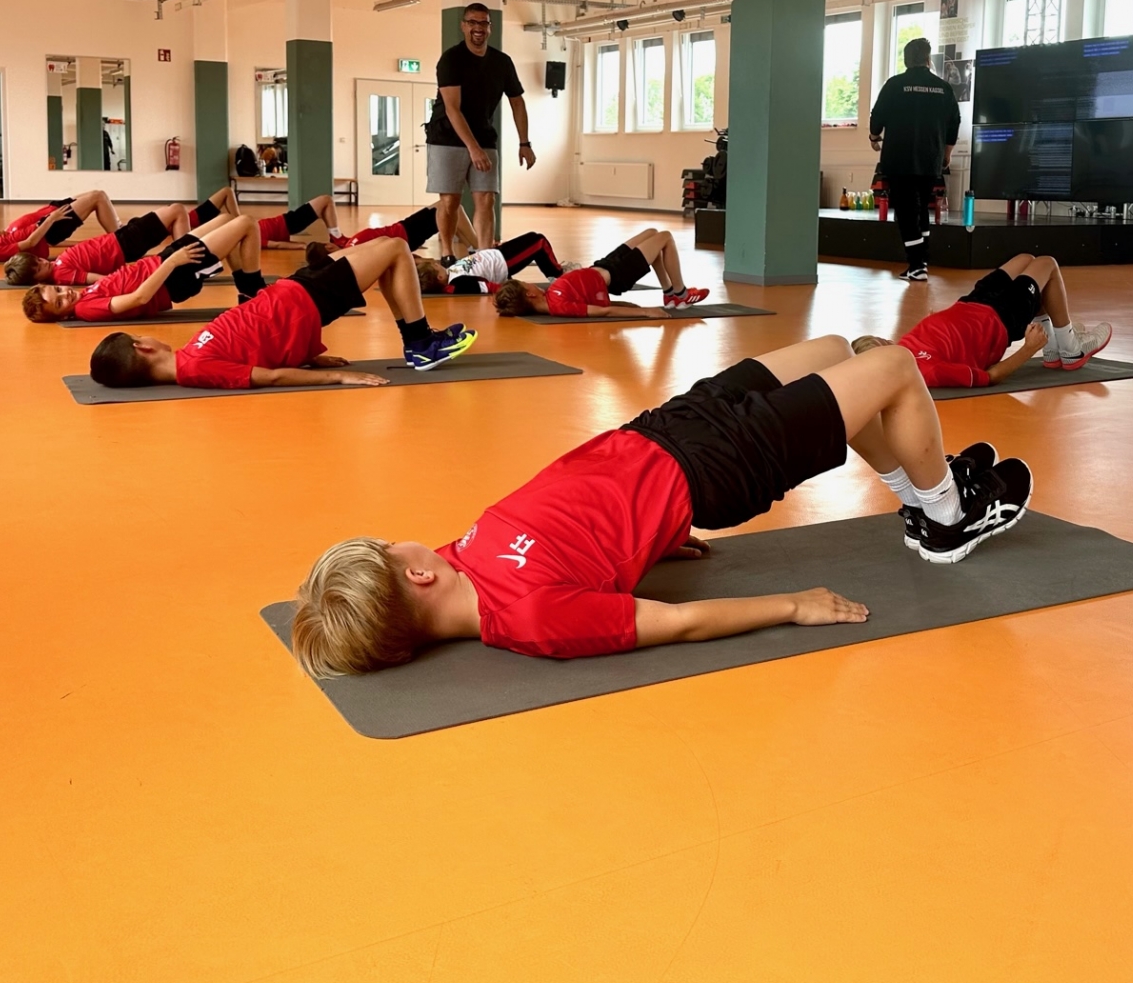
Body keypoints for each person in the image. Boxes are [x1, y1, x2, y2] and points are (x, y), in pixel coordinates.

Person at [287, 335, 1038, 676]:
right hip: (716, 467)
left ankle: (918, 495)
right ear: (415, 577)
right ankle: (947, 517)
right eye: (389, 550)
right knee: (892, 365)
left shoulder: (456, 563)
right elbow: (675, 622)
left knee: (840, 349)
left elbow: (573, 537)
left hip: (665, 427)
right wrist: (794, 605)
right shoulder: (531, 621)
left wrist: (649, 540)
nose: (400, 543)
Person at [87, 234, 475, 387]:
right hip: (305, 302)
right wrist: (338, 378)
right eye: (141, 337)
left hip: (292, 291)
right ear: (142, 348)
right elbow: (268, 376)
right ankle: (420, 342)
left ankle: (418, 340)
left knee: (389, 251)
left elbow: (254, 347)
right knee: (395, 248)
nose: (148, 336)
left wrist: (309, 358)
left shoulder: (190, 356)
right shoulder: (194, 370)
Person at [856, 254, 1112, 389]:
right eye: (884, 344)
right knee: (1047, 264)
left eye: (883, 340)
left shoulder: (903, 348)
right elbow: (991, 376)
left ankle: (1053, 350)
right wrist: (1028, 349)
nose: (890, 340)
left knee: (1025, 259)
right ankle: (1070, 348)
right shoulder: (929, 372)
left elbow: (936, 339)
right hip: (1001, 319)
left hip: (972, 302)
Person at [424, 1, 533, 260]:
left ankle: (485, 257)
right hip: (446, 137)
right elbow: (453, 109)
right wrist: (472, 149)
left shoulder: (502, 62)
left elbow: (517, 101)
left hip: (484, 136)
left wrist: (524, 143)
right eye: (472, 22)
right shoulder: (451, 59)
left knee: (486, 198)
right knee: (450, 201)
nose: (478, 28)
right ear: (463, 26)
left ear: (490, 27)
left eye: (483, 23)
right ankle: (447, 253)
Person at [20, 212, 268, 323]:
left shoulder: (83, 295)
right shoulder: (87, 309)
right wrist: (173, 261)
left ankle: (246, 294)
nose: (65, 293)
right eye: (60, 303)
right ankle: (252, 293)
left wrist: (166, 258)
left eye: (58, 290)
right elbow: (139, 298)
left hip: (163, 262)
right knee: (246, 224)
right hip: (174, 277)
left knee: (226, 219)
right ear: (63, 315)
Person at [868, 36, 960, 283]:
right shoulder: (943, 88)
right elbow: (954, 123)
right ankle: (922, 261)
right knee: (921, 209)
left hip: (899, 158)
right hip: (931, 158)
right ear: (928, 59)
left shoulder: (895, 85)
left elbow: (877, 115)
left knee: (907, 211)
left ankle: (917, 266)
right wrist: (947, 153)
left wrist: (874, 136)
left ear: (906, 60)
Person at [494, 229, 708, 317]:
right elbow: (604, 311)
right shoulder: (558, 306)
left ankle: (669, 293)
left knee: (652, 233)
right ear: (530, 294)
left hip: (604, 264)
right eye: (527, 284)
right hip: (618, 275)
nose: (532, 284)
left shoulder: (550, 297)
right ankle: (680, 294)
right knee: (665, 237)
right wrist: (645, 312)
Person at [1, 203, 193, 287]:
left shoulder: (56, 266)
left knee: (173, 217)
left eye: (37, 260)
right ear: (36, 281)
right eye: (37, 269)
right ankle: (187, 264)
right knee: (177, 210)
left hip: (121, 238)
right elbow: (97, 279)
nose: (42, 262)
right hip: (125, 244)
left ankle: (185, 259)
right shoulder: (61, 274)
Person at [0, 190, 118, 263]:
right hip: (49, 225)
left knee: (96, 194)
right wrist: (50, 219)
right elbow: (29, 243)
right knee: (98, 196)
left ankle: (120, 232)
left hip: (48, 218)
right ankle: (120, 237)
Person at [416, 231, 567, 295]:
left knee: (534, 239)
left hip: (497, 253)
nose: (438, 263)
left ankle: (557, 275)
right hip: (503, 262)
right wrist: (518, 288)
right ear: (440, 277)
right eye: (436, 266)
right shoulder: (458, 282)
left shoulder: (451, 273)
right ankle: (558, 276)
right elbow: (487, 287)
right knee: (538, 241)